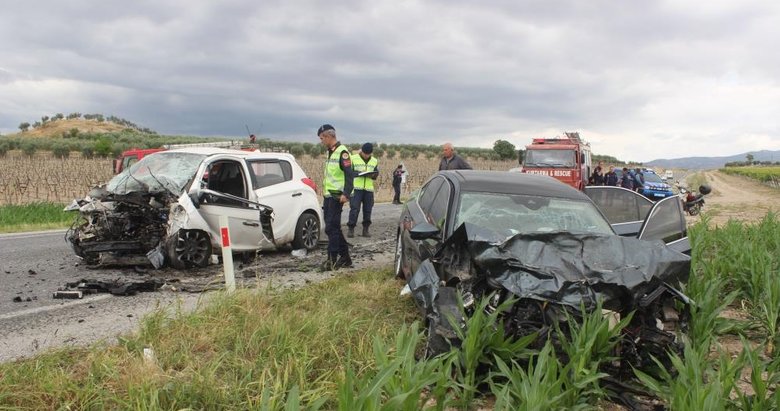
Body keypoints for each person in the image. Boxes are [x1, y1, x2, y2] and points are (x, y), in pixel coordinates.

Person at [317, 124, 353, 271]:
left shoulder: (342, 152)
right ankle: (345, 258)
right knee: (333, 228)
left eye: (321, 138)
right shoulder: (330, 152)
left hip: (337, 196)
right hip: (328, 195)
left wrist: (346, 193)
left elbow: (349, 175)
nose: (321, 141)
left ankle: (331, 260)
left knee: (331, 228)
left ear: (328, 136)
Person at [347, 143, 379, 238]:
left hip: (368, 189)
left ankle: (366, 230)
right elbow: (348, 172)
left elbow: (376, 173)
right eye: (365, 153)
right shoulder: (353, 158)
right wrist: (359, 174)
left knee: (368, 210)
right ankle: (351, 229)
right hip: (356, 188)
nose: (366, 155)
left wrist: (373, 175)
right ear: (361, 151)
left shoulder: (374, 161)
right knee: (354, 209)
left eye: (368, 154)